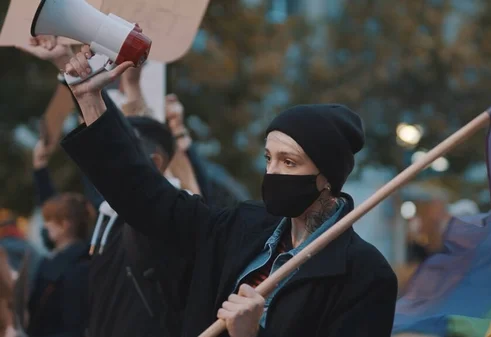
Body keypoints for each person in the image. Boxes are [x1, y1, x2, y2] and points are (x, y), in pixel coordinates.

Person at [60, 44, 398, 337]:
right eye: (269, 158)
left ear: (327, 177)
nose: (273, 172)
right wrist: (91, 102)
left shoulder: (365, 275)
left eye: (290, 162)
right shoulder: (240, 226)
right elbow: (148, 197)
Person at [85, 115, 193, 337]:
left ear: (155, 163)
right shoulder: (108, 215)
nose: (106, 165)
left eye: (119, 156)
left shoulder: (174, 218)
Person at [26, 193, 94, 337]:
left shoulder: (79, 266)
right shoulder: (58, 259)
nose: (45, 225)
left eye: (49, 220)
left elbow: (73, 324)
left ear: (65, 224)